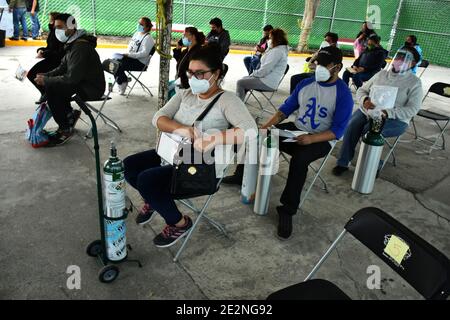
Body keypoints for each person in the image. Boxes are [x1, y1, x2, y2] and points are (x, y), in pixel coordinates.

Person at [123, 45, 257, 247]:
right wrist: (181, 129)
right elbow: (158, 118)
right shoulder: (184, 95)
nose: (194, 78)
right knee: (129, 165)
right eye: (191, 72)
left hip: (201, 167)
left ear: (216, 73)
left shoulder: (227, 100)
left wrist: (212, 139)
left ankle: (179, 223)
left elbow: (250, 130)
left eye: (200, 73)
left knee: (147, 181)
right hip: (171, 154)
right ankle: (154, 200)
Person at [225, 47, 353, 241]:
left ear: (337, 68)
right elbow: (284, 110)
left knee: (300, 160)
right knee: (257, 137)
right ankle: (240, 174)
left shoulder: (343, 93)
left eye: (324, 65)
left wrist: (311, 139)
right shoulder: (306, 84)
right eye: (317, 63)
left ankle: (287, 210)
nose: (318, 68)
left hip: (321, 137)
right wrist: (266, 127)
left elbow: (338, 131)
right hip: (296, 129)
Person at [332, 46, 423, 176]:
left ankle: (374, 163)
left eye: (404, 58)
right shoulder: (381, 74)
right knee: (352, 126)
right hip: (368, 111)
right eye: (398, 56)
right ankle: (343, 162)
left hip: (395, 119)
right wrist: (364, 100)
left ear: (413, 63)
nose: (399, 60)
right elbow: (362, 90)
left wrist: (388, 113)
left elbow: (413, 109)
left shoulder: (414, 82)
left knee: (370, 132)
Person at [33, 13, 105, 146]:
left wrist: (47, 81)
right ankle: (69, 116)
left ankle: (65, 128)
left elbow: (71, 78)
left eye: (60, 27)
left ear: (72, 27)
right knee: (52, 86)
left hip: (92, 88)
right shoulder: (72, 44)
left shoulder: (80, 47)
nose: (57, 31)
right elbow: (62, 67)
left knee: (53, 88)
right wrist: (46, 76)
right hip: (82, 82)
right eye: (55, 28)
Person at [236, 28, 288, 101]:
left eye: (270, 38)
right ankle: (240, 101)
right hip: (265, 78)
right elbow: (267, 61)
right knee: (244, 79)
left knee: (240, 82)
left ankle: (238, 104)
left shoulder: (277, 51)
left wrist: (253, 74)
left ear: (275, 39)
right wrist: (264, 52)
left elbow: (265, 70)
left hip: (268, 82)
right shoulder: (277, 49)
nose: (268, 40)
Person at [27, 12, 65, 104]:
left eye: (51, 19)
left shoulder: (59, 33)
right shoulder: (52, 31)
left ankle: (47, 93)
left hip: (56, 61)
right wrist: (41, 50)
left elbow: (59, 51)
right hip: (50, 58)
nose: (49, 20)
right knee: (31, 74)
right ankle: (46, 93)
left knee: (32, 74)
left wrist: (44, 53)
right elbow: (49, 47)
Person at [113, 17, 155, 95]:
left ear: (147, 27)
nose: (138, 25)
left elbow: (144, 53)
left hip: (140, 63)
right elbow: (130, 46)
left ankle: (123, 82)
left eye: (141, 24)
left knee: (118, 65)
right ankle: (123, 80)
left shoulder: (148, 38)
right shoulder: (137, 33)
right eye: (138, 23)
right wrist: (126, 55)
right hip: (131, 58)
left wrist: (130, 55)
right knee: (113, 62)